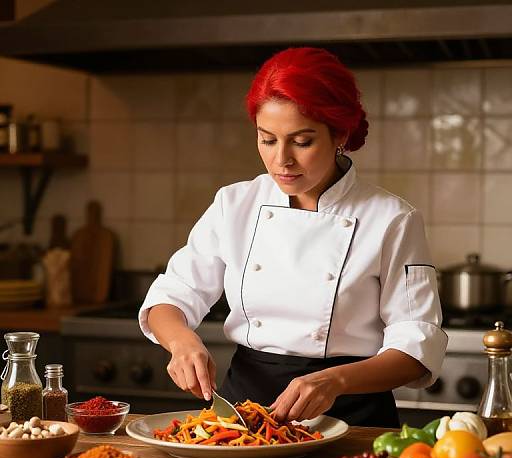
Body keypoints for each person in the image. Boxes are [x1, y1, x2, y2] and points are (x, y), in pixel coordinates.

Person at [139, 47, 447, 427]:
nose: (281, 160)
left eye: (302, 142)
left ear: (341, 134)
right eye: (267, 140)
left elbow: (416, 346)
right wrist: (181, 341)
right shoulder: (235, 203)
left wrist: (335, 380)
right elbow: (170, 297)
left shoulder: (391, 218)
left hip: (351, 415)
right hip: (242, 417)